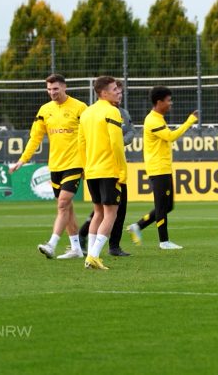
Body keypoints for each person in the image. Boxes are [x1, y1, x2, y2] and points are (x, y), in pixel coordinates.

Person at [10, 74, 87, 260]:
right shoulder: (44, 110)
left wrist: (89, 161)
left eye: (55, 89)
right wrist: (23, 159)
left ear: (64, 87)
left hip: (75, 163)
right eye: (49, 89)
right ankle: (76, 248)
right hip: (56, 165)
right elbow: (35, 138)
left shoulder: (80, 108)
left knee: (62, 204)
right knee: (67, 208)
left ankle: (51, 244)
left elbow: (90, 135)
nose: (52, 92)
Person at [127, 86, 199, 249]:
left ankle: (137, 226)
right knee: (162, 206)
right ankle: (164, 241)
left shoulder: (158, 118)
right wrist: (189, 121)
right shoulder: (153, 120)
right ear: (159, 102)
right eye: (168, 100)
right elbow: (171, 136)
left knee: (167, 206)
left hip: (163, 168)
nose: (170, 104)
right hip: (158, 169)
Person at [78, 80, 134, 256]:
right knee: (111, 214)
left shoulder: (86, 113)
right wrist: (122, 170)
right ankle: (94, 256)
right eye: (114, 89)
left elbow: (81, 143)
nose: (118, 92)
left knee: (98, 213)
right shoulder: (112, 111)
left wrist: (84, 167)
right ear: (103, 92)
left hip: (92, 170)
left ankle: (91, 255)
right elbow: (117, 145)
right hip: (109, 170)